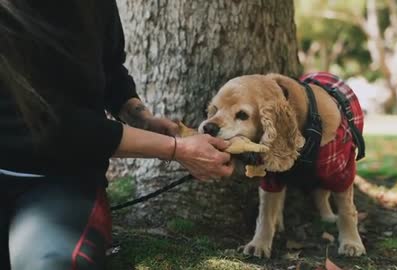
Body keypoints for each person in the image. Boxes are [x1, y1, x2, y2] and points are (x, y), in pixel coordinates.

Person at [0, 0, 234, 269]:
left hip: (65, 182)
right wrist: (177, 149)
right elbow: (58, 127)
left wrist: (140, 116)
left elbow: (109, 69)